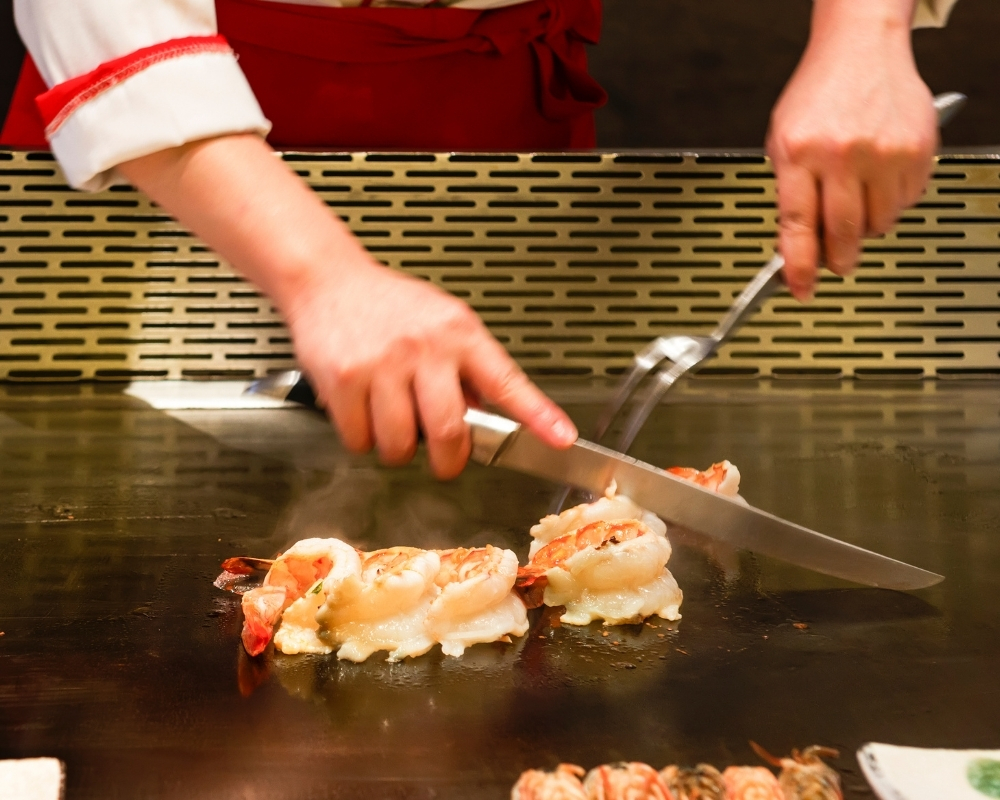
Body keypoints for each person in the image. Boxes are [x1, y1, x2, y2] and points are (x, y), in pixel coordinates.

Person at [0, 0, 957, 480]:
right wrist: (320, 273)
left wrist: (865, 30)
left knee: (487, 499)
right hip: (166, 137)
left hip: (493, 113)